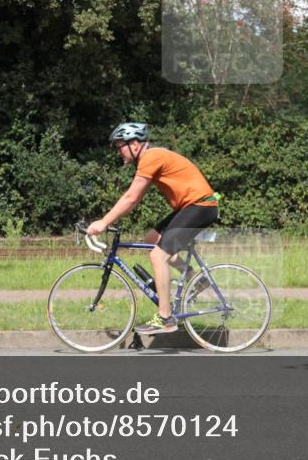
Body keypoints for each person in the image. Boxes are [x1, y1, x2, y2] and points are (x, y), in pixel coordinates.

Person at [87, 122, 219, 335]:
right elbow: (134, 198)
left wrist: (104, 222)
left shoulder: (151, 157)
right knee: (150, 240)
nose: (118, 151)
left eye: (121, 146)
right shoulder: (150, 159)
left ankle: (165, 318)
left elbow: (131, 197)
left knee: (158, 256)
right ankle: (198, 279)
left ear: (135, 144)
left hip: (200, 206)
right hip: (192, 206)